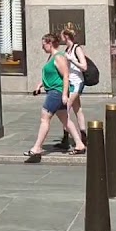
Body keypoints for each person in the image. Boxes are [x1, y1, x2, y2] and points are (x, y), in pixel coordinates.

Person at [24, 33, 86, 162]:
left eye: (43, 45)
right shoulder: (52, 57)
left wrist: (64, 94)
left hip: (56, 93)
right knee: (66, 120)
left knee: (44, 119)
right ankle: (79, 144)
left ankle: (37, 147)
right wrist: (40, 85)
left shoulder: (58, 57)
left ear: (50, 43)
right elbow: (51, 74)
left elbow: (65, 76)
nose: (42, 47)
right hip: (54, 91)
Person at [59, 28, 90, 150]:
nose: (61, 38)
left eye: (62, 36)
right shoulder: (67, 49)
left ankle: (67, 138)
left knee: (64, 108)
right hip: (71, 82)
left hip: (77, 82)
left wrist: (72, 60)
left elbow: (84, 66)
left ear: (66, 36)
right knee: (78, 109)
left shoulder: (77, 49)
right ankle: (83, 136)